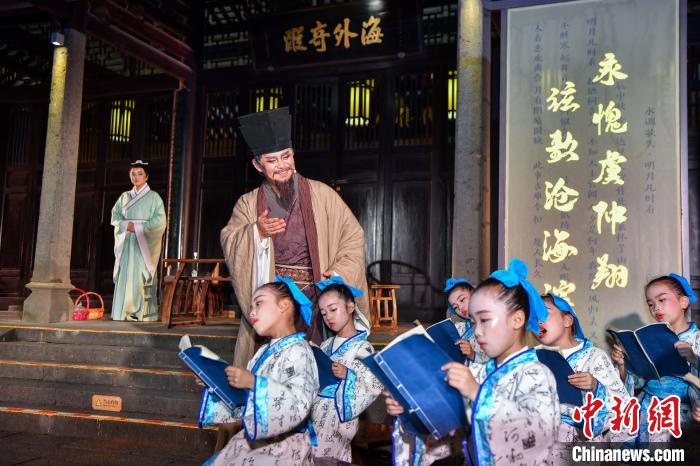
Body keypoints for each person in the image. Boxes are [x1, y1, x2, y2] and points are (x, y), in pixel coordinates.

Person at [221, 107, 370, 366]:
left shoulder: (322, 195)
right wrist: (257, 232)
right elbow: (230, 240)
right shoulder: (248, 204)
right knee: (272, 370)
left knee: (319, 368)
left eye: (286, 156)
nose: (282, 166)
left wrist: (336, 273)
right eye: (272, 160)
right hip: (275, 303)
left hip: (316, 300)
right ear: (257, 165)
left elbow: (353, 236)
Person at [441, 259, 559, 465]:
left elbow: (537, 437)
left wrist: (477, 393)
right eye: (474, 322)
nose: (477, 331)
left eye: (485, 320)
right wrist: (411, 411)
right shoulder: (480, 373)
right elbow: (453, 433)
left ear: (517, 320)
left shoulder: (536, 374)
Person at [202, 277, 319, 466]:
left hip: (285, 447)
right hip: (254, 440)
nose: (252, 311)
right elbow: (244, 404)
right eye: (250, 307)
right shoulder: (262, 352)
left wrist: (254, 383)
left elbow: (298, 404)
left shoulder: (300, 351)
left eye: (259, 303)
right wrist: (215, 383)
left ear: (284, 306)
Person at [611, 273, 700, 444]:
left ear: (683, 302)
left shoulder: (697, 339)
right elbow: (636, 382)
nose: (656, 308)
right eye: (650, 304)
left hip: (680, 411)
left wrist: (694, 360)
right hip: (645, 404)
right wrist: (623, 364)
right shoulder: (647, 338)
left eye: (662, 300)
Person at [537, 293, 629, 451]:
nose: (538, 321)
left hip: (583, 444)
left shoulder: (594, 356)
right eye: (534, 317)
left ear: (568, 320)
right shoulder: (533, 358)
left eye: (544, 313)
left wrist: (595, 386)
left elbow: (622, 403)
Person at [310, 276, 383, 463]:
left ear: (350, 307)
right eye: (324, 313)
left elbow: (373, 385)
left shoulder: (363, 348)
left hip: (338, 419)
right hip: (317, 413)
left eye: (333, 309)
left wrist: (348, 375)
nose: (328, 317)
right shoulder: (325, 345)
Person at [110, 160, 166, 321]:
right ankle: (122, 311)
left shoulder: (154, 197)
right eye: (133, 174)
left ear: (146, 177)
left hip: (144, 243)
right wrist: (124, 225)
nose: (136, 177)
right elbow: (115, 216)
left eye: (140, 174)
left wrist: (140, 227)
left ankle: (139, 312)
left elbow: (160, 221)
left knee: (141, 275)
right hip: (127, 240)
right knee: (125, 273)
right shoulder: (124, 196)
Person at [444, 278, 487, 364]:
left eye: (462, 299)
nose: (460, 307)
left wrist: (473, 355)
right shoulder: (457, 327)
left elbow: (498, 363)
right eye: (455, 307)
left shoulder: (490, 327)